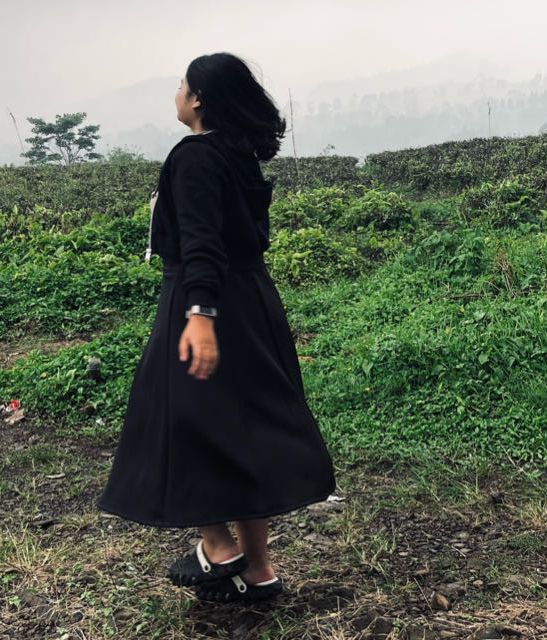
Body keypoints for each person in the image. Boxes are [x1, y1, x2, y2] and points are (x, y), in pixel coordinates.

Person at [96, 52, 337, 603]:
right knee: (241, 427)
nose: (177, 93)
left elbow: (202, 241)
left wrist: (200, 315)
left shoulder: (195, 156)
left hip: (203, 300)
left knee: (180, 420)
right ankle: (259, 570)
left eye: (182, 85)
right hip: (251, 302)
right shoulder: (237, 154)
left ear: (199, 98)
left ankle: (219, 546)